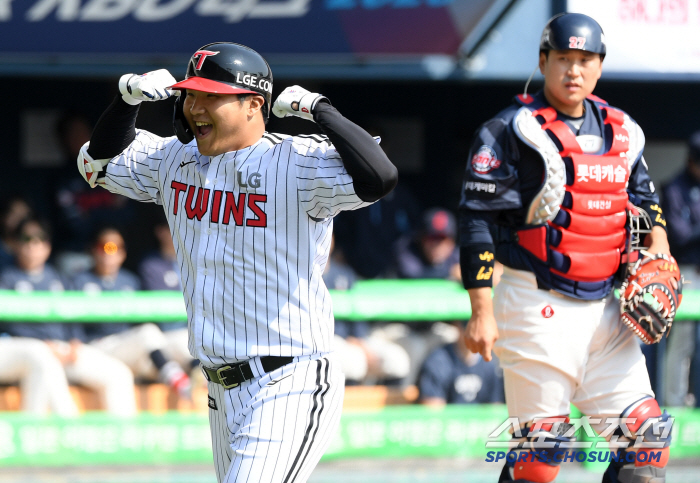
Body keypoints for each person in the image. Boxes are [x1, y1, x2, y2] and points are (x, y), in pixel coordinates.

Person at [75, 42, 397, 483]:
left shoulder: (296, 161)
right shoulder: (174, 158)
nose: (195, 108)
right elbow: (98, 164)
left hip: (290, 377)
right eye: (191, 95)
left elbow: (379, 176)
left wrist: (320, 109)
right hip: (220, 387)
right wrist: (125, 102)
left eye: (211, 96)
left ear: (253, 105)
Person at [459, 13, 676, 482]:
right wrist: (481, 310)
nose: (573, 70)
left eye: (584, 60)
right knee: (539, 461)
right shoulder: (511, 130)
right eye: (563, 59)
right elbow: (478, 221)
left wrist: (659, 246)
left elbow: (646, 201)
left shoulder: (624, 131)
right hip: (536, 305)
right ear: (543, 61)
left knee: (647, 445)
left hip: (607, 314)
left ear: (599, 65)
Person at [0, 217, 137, 416]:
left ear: (48, 245)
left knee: (119, 374)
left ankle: (126, 442)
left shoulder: (59, 278)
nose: (33, 245)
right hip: (29, 348)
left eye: (40, 239)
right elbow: (7, 325)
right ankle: (65, 434)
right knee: (43, 359)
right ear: (15, 243)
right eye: (26, 238)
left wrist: (75, 341)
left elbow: (73, 316)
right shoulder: (6, 277)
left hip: (64, 349)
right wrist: (45, 344)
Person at [73, 227, 192, 400]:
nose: (110, 253)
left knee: (176, 342)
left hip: (127, 346)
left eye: (116, 248)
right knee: (147, 333)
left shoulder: (130, 281)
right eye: (104, 247)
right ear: (93, 250)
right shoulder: (79, 280)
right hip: (96, 347)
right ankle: (176, 378)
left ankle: (196, 381)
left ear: (123, 253)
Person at [324, 233, 410, 385]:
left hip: (355, 338)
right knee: (355, 362)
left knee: (397, 360)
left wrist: (360, 341)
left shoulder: (344, 273)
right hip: (326, 342)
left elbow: (356, 313)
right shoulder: (301, 275)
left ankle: (391, 406)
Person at [661, 130, 700, 407]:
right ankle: (674, 403)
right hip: (686, 272)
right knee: (682, 342)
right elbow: (679, 234)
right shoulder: (675, 188)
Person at [139, 218, 200, 375]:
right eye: (172, 227)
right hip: (169, 335)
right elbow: (163, 312)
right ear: (160, 232)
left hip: (200, 332)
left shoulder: (197, 262)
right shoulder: (151, 265)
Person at [417, 321, 504, 406]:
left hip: (482, 420)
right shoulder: (438, 361)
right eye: (465, 324)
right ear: (456, 325)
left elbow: (496, 408)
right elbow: (432, 410)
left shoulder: (490, 361)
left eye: (476, 324)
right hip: (449, 420)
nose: (472, 330)